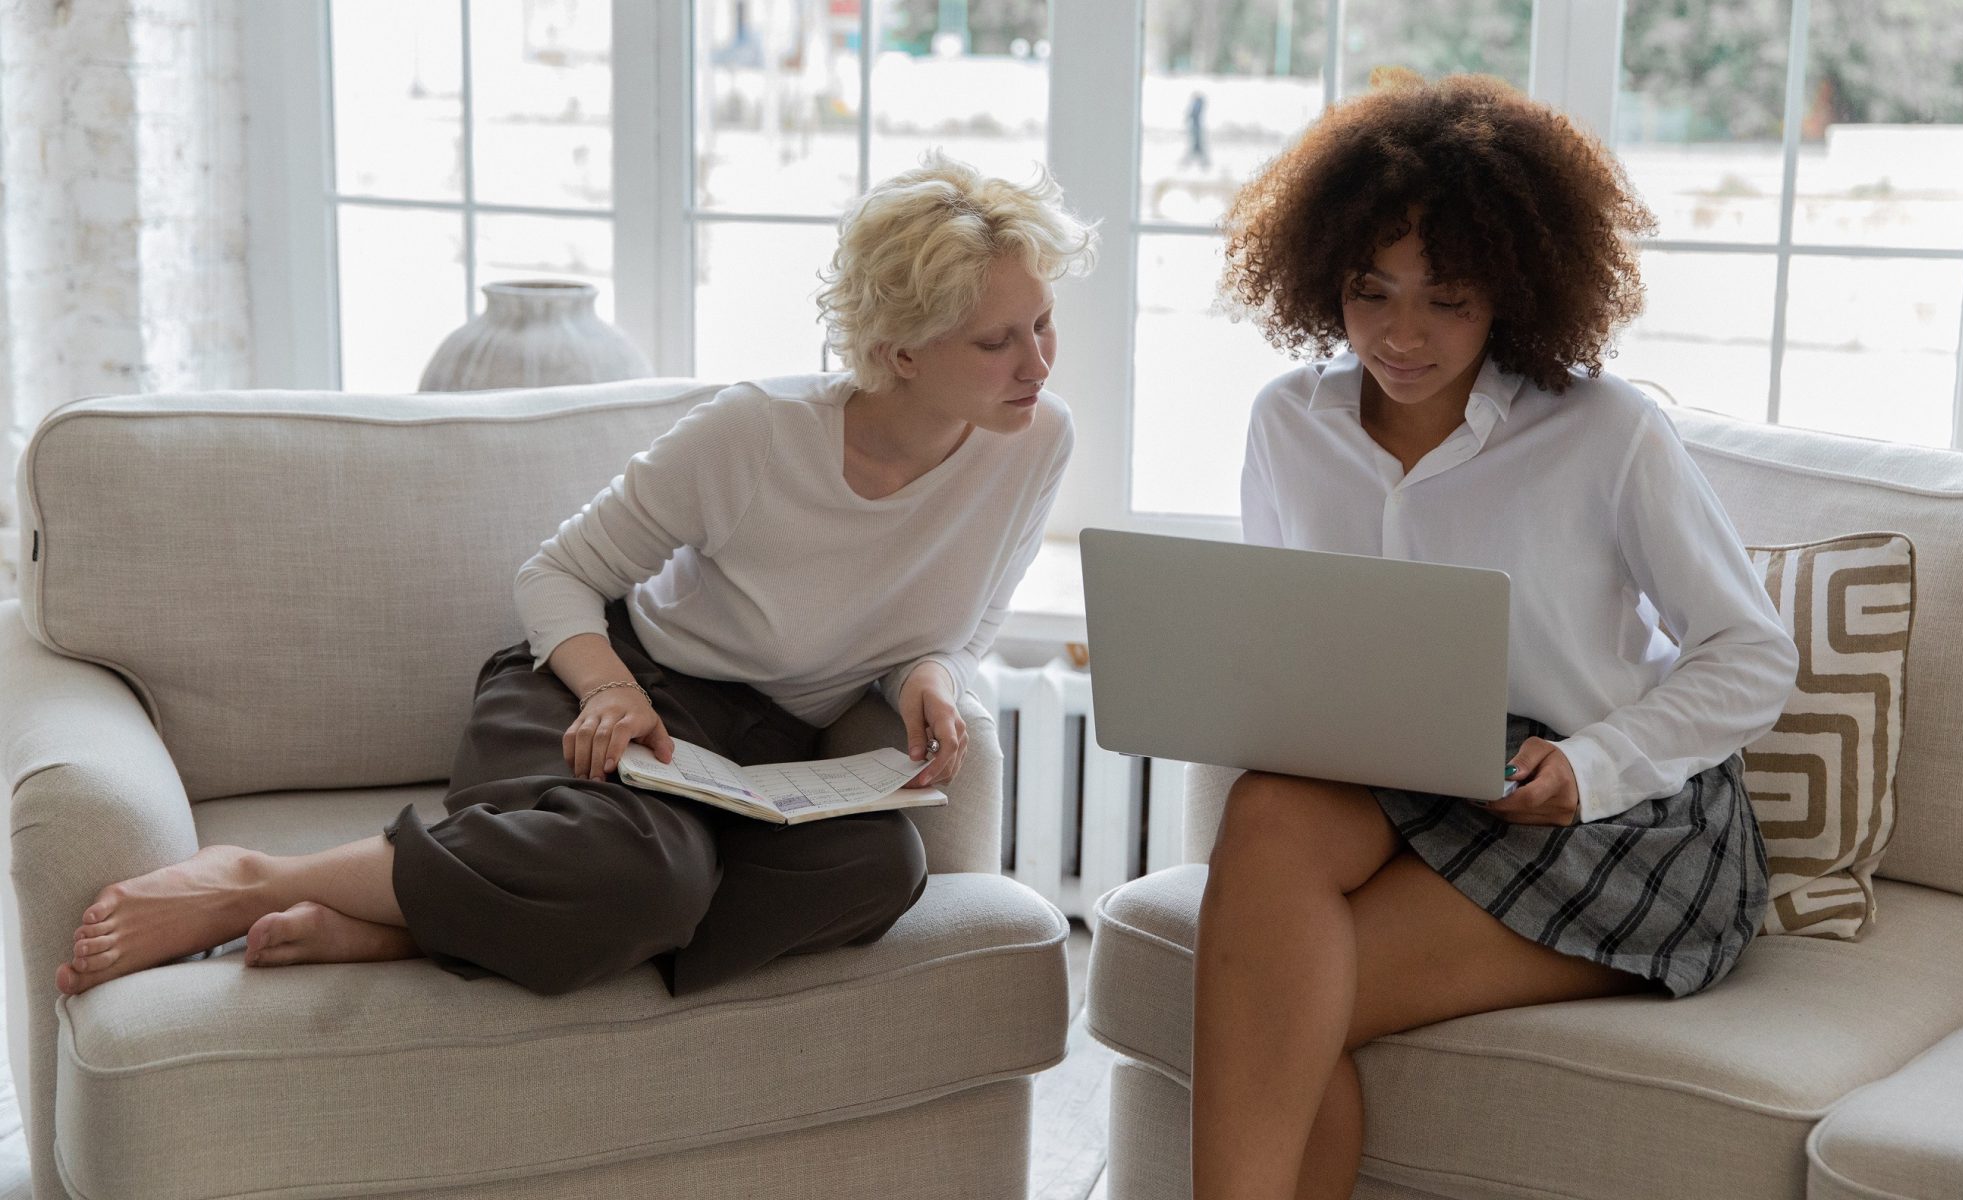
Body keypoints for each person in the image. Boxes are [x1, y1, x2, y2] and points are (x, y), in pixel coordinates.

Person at [56, 152, 1097, 999]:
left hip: (769, 752)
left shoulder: (1032, 444)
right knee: (647, 876)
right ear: (900, 350)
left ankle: (411, 933)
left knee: (879, 869)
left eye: (1041, 323)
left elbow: (959, 627)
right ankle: (256, 880)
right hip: (607, 688)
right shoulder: (755, 435)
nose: (1036, 364)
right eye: (996, 340)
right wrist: (610, 689)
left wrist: (928, 678)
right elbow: (557, 573)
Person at [1198, 72, 1800, 1199]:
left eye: (1447, 299)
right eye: (1369, 293)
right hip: (1403, 767)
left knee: (1275, 1005)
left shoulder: (1604, 431)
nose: (1401, 336)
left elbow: (1750, 652)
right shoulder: (1288, 422)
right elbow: (1282, 636)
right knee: (1266, 810)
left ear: (1514, 292)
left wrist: (1592, 763)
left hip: (1613, 809)